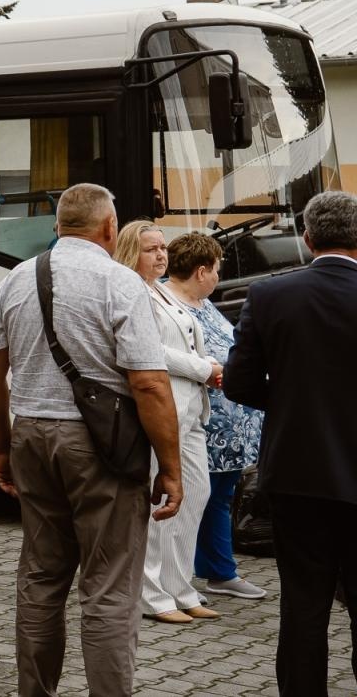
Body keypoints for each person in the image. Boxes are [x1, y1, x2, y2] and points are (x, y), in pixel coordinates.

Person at [0, 183, 182, 697]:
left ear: (57, 225)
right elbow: (150, 382)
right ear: (110, 228)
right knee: (109, 587)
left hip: (31, 435)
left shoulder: (16, 280)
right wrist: (171, 466)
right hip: (100, 447)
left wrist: (1, 449)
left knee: (42, 577)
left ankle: (36, 692)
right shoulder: (119, 282)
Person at [224, 190, 357, 694]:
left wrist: (290, 406)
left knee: (302, 605)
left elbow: (238, 383)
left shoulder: (269, 294)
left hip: (297, 472)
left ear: (306, 237)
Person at [112, 221, 218, 625]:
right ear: (130, 252)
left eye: (162, 248)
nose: (160, 255)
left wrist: (201, 370)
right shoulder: (130, 290)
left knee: (197, 494)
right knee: (163, 501)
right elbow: (150, 350)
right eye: (150, 249)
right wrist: (203, 368)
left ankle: (181, 586)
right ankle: (152, 593)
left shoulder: (161, 290)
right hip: (162, 406)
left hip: (190, 408)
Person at [161, 231, 265, 601]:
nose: (219, 277)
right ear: (202, 271)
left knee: (216, 497)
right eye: (218, 269)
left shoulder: (202, 302)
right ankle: (207, 574)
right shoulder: (167, 303)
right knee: (198, 500)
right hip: (202, 425)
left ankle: (214, 571)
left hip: (229, 429)